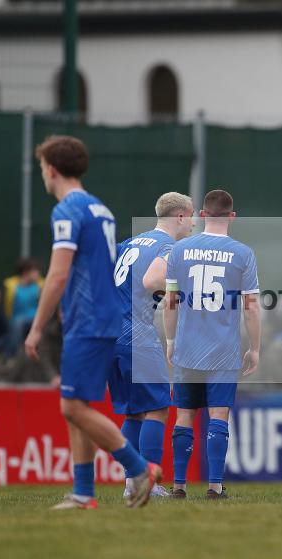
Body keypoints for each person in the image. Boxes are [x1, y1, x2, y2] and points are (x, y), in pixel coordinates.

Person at [24, 134, 160, 510]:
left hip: (88, 321)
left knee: (71, 408)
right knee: (77, 403)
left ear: (51, 170)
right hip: (106, 316)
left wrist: (36, 327)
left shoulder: (67, 210)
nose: (42, 176)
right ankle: (84, 492)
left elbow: (58, 274)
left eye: (41, 169)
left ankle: (139, 469)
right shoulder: (102, 209)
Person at [164, 189, 260, 499]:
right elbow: (251, 306)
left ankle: (178, 485)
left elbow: (170, 302)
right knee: (218, 415)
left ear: (202, 215)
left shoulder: (179, 250)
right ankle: (215, 487)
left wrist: (170, 340)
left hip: (188, 348)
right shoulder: (243, 254)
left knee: (184, 414)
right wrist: (255, 347)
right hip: (223, 349)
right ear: (232, 216)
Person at [110, 192, 194, 500]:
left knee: (134, 413)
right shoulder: (169, 248)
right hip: (137, 333)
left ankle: (132, 484)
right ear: (180, 217)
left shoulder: (129, 243)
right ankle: (147, 481)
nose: (194, 223)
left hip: (110, 333)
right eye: (192, 216)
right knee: (157, 408)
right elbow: (152, 280)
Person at [2, 258, 43, 357]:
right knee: (17, 324)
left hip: (36, 320)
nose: (38, 273)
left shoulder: (40, 286)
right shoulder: (12, 287)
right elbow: (8, 308)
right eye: (35, 271)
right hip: (16, 320)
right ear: (26, 272)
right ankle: (11, 357)